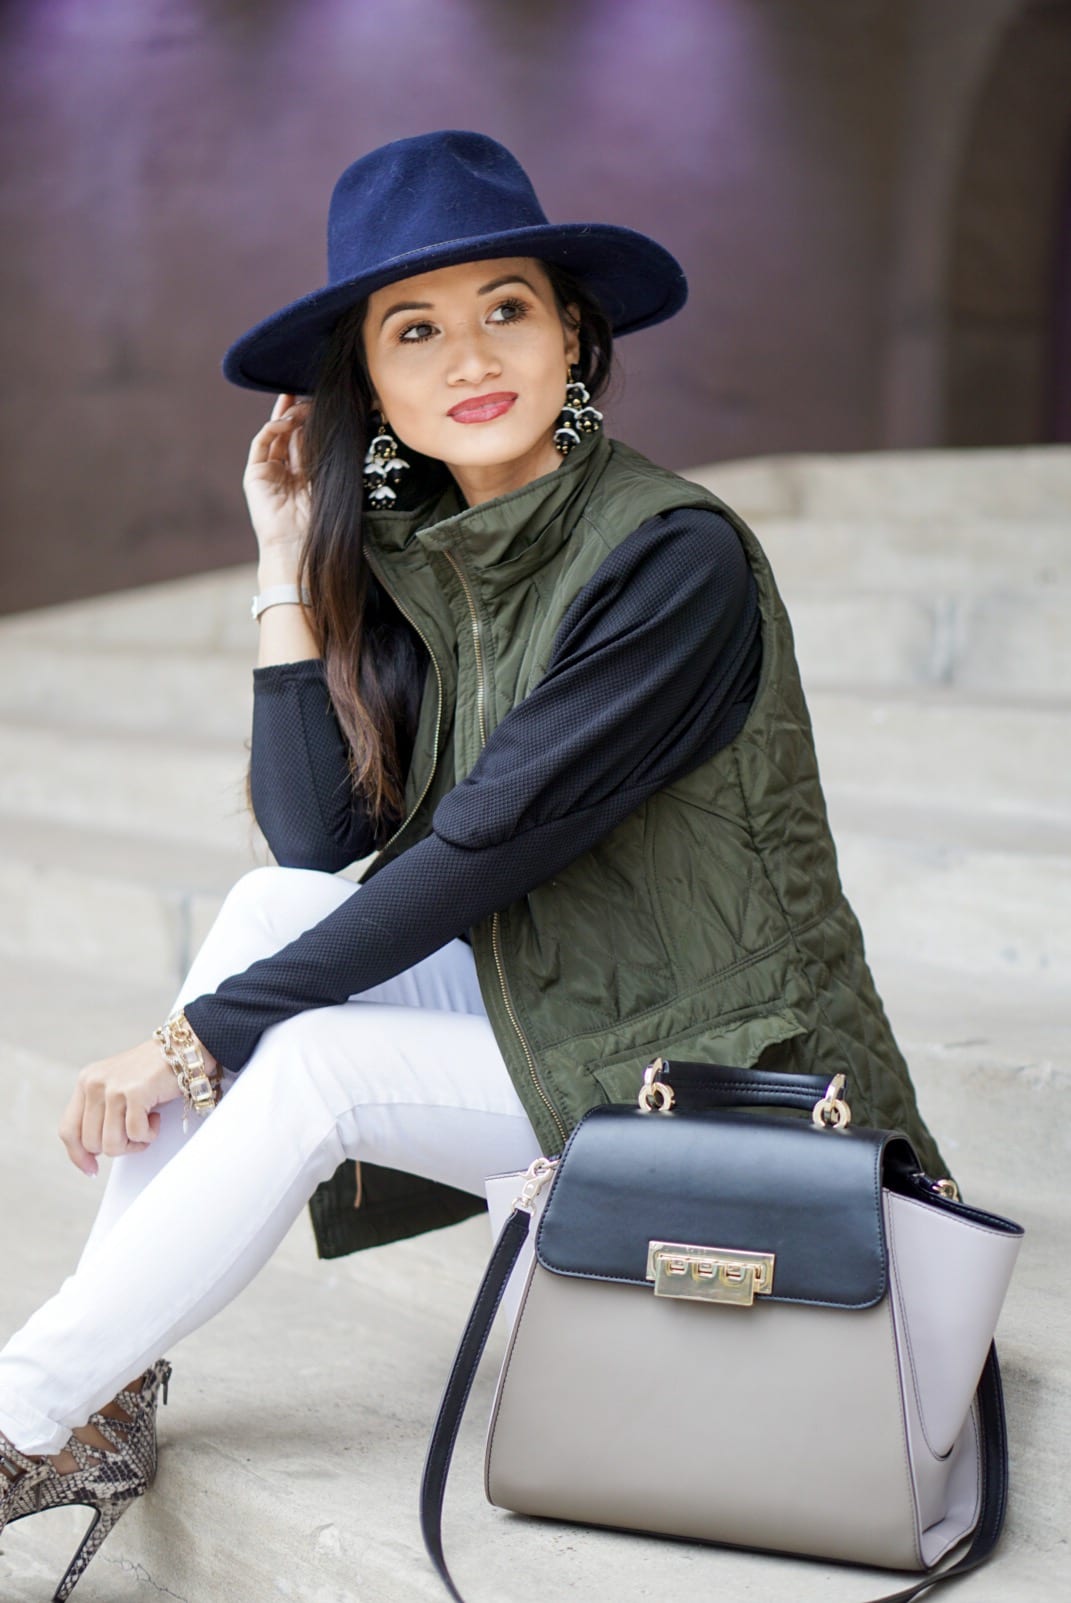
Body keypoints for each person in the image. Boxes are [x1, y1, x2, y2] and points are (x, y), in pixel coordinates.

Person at [0, 129, 950, 1599]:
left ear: (574, 331)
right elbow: (318, 843)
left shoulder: (665, 557)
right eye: (414, 331)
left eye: (507, 306)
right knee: (267, 908)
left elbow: (473, 852)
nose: (469, 357)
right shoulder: (446, 554)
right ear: (366, 386)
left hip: (721, 1062)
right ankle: (98, 1397)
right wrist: (282, 561)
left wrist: (194, 1043)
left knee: (304, 1063)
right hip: (577, 1001)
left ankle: (25, 1413)